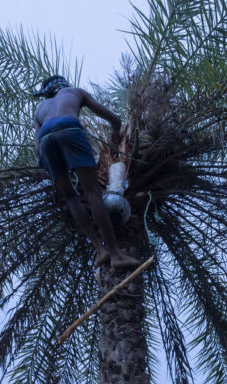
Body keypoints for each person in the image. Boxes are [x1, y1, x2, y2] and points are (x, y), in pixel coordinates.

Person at [32, 75, 141, 269]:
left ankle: (100, 250)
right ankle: (116, 254)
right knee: (92, 192)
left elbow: (38, 150)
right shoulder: (75, 92)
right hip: (69, 127)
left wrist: (55, 163)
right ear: (63, 86)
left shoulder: (40, 109)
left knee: (70, 197)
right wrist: (116, 136)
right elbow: (114, 119)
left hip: (46, 137)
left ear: (46, 93)